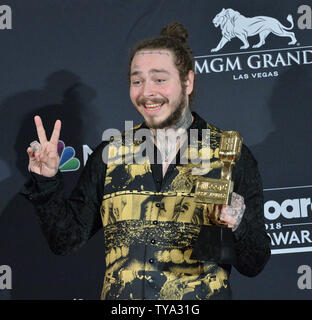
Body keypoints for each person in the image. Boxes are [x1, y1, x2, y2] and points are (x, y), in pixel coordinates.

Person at [21, 22, 271, 300]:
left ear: (188, 81)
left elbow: (254, 262)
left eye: (159, 79)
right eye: (137, 80)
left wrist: (238, 224)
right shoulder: (110, 154)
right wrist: (46, 182)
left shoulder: (229, 156)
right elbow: (65, 240)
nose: (146, 92)